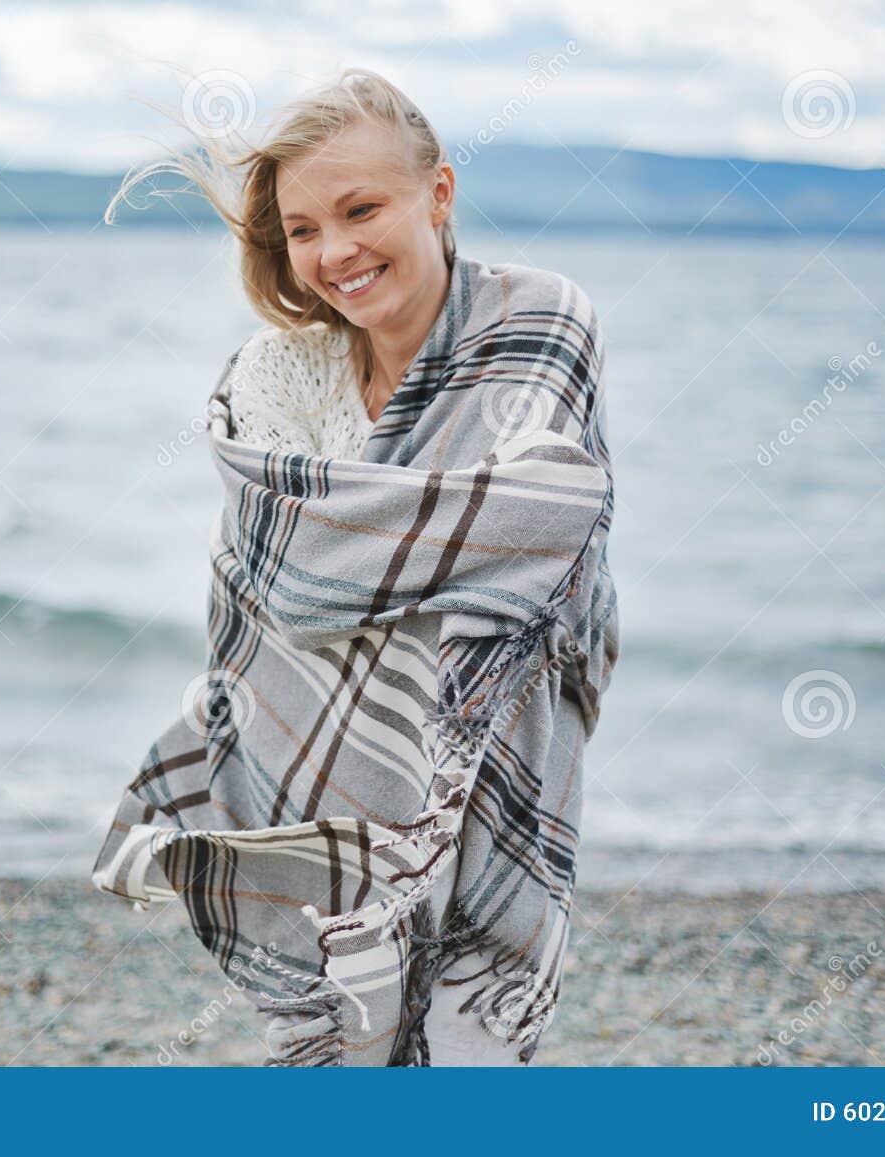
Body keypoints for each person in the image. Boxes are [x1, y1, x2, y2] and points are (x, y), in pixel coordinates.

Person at [95, 67, 619, 1067]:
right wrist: (425, 550)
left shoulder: (540, 322)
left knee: (469, 1034)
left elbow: (548, 522)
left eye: (360, 208)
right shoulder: (275, 371)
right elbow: (273, 579)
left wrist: (374, 551)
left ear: (439, 193)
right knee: (344, 1032)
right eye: (301, 229)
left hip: (497, 745)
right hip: (316, 771)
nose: (332, 252)